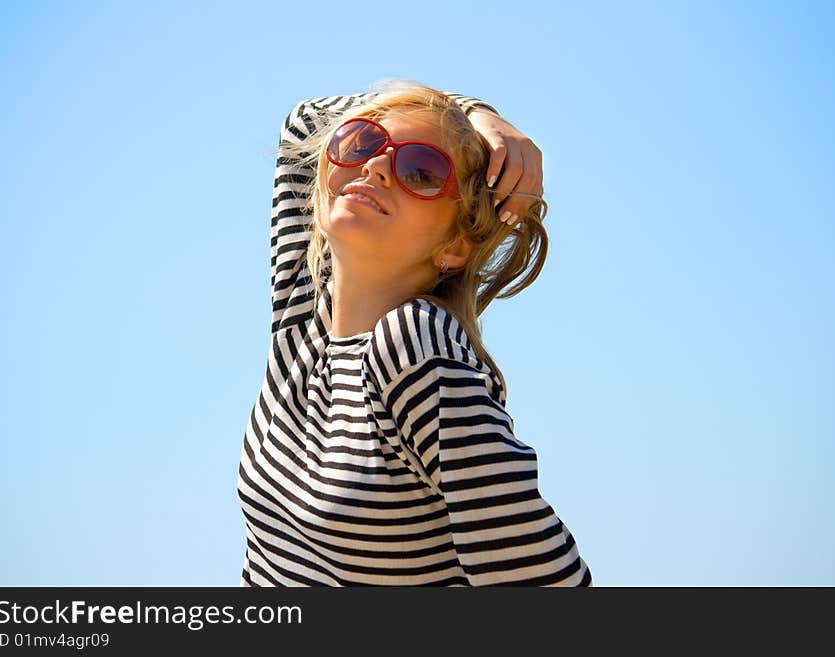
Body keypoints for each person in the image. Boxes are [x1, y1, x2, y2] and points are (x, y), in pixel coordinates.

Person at [237, 79, 593, 586]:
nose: (375, 165)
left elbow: (545, 582)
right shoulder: (303, 309)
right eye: (361, 143)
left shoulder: (414, 347)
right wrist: (477, 115)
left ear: (455, 246)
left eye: (421, 171)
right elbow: (307, 119)